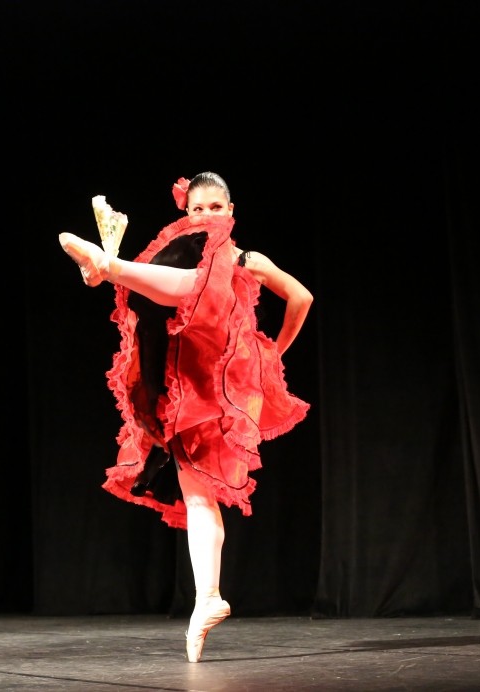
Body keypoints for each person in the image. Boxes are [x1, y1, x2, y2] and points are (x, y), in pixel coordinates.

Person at [58, 171, 313, 663]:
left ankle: (109, 263)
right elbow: (153, 307)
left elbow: (301, 298)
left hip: (225, 382)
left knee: (202, 283)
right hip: (190, 390)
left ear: (231, 210)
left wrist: (274, 354)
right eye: (198, 209)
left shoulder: (244, 259)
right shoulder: (181, 252)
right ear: (187, 213)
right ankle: (207, 598)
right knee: (199, 496)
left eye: (215, 208)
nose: (206, 217)